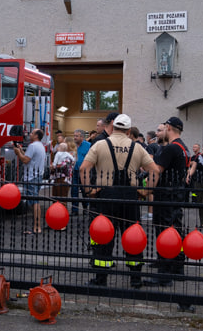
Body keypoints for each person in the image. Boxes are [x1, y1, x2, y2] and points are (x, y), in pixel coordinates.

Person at [79, 113, 157, 288]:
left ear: (113, 127)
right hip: (129, 198)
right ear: (129, 131)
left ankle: (101, 280)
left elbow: (84, 168)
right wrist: (145, 191)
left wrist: (89, 191)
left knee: (103, 238)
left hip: (105, 197)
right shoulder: (137, 147)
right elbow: (155, 171)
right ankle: (135, 279)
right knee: (133, 238)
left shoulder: (100, 144)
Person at [148, 116, 194, 311]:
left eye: (163, 128)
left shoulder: (171, 148)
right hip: (176, 194)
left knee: (165, 230)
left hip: (166, 195)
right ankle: (177, 267)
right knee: (176, 229)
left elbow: (157, 169)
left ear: (168, 128)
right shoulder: (183, 147)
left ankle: (164, 273)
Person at [12, 128, 46, 234]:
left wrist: (18, 153)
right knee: (34, 201)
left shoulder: (32, 146)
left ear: (36, 136)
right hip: (38, 176)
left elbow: (25, 160)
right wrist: (21, 151)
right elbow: (29, 157)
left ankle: (37, 227)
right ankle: (37, 226)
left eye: (32, 133)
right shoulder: (40, 146)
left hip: (31, 177)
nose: (29, 134)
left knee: (34, 202)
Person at [71, 129, 91, 216]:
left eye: (77, 136)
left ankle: (85, 208)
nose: (74, 137)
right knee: (74, 190)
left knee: (84, 190)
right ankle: (74, 209)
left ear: (82, 137)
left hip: (84, 171)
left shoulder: (88, 145)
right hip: (74, 171)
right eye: (74, 135)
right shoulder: (72, 145)